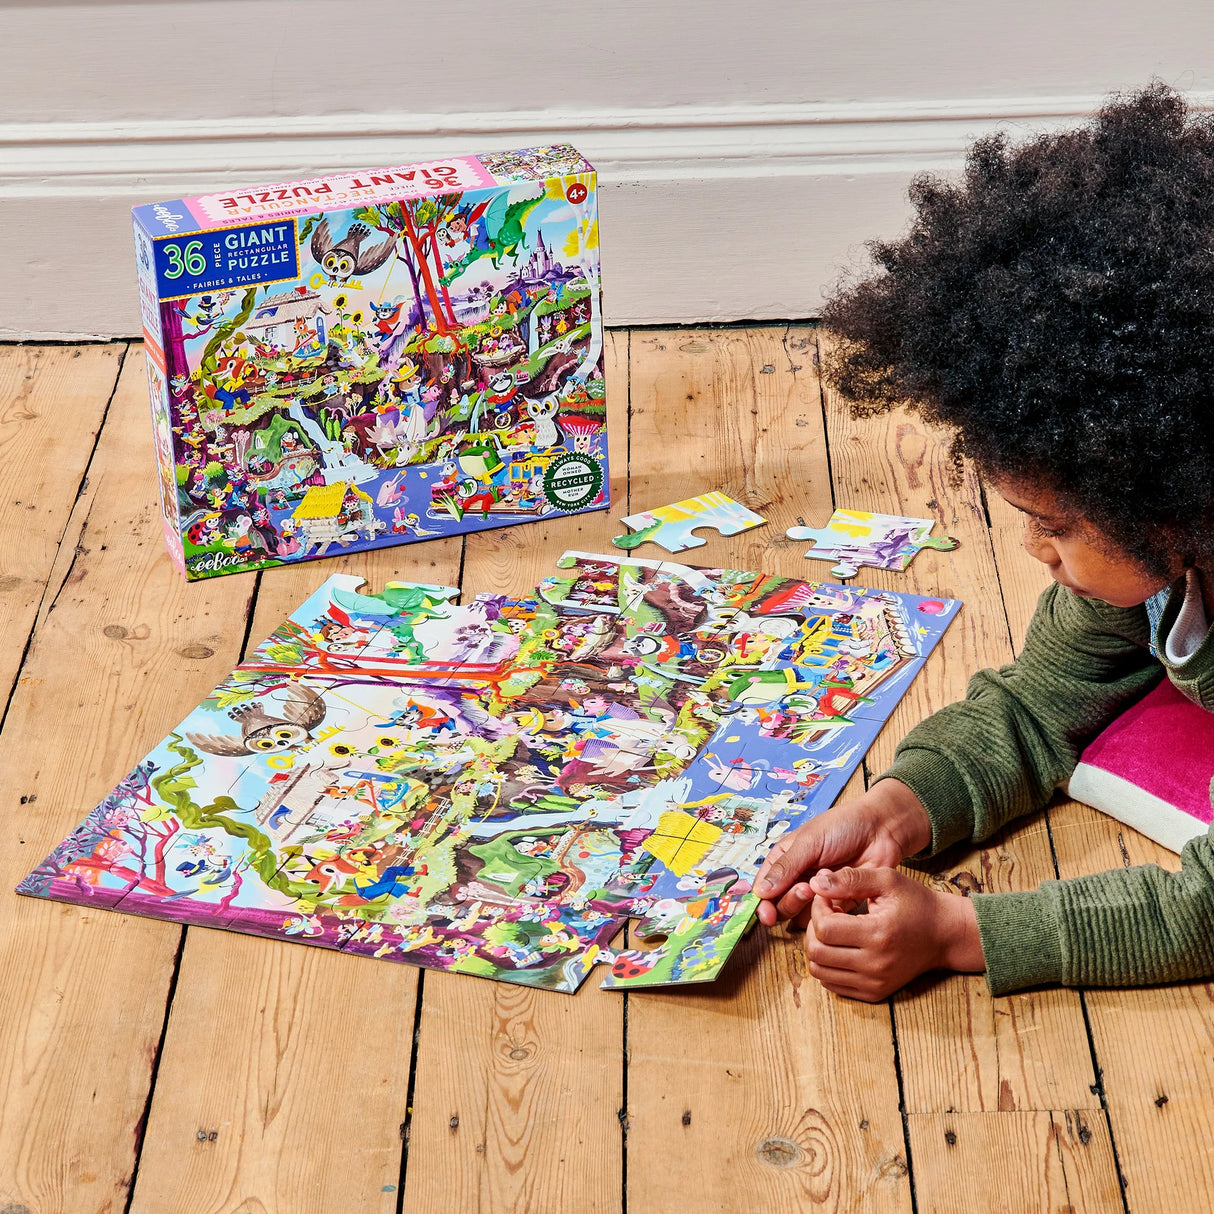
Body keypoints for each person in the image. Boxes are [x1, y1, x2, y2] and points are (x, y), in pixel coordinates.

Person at [755, 82, 1214, 1001]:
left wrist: (964, 931)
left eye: (1055, 526)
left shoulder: (1155, 524)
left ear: (1171, 498)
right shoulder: (1151, 558)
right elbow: (1042, 703)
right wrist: (894, 811)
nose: (1039, 556)